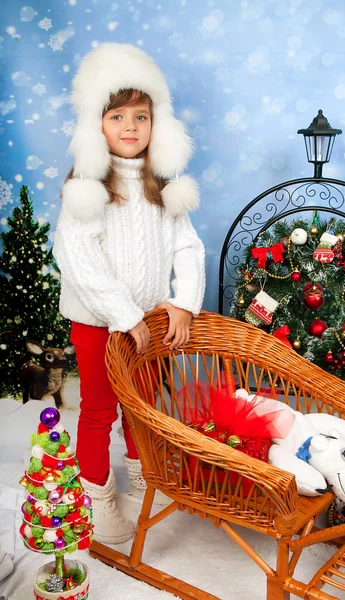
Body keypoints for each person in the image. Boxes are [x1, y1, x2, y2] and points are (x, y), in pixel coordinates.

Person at [53, 43, 205, 545]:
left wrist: (183, 302)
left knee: (146, 401)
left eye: (141, 116)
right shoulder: (89, 187)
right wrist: (121, 313)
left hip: (150, 319)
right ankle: (95, 494)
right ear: (96, 125)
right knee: (100, 409)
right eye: (117, 115)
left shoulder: (163, 186)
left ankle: (145, 471)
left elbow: (187, 245)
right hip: (100, 322)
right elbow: (77, 259)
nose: (131, 127)